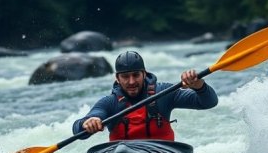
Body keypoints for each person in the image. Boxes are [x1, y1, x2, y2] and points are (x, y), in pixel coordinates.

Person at [72, 50, 218, 141]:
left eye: (136, 75)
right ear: (117, 78)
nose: (131, 81)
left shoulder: (163, 93)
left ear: (144, 74)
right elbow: (79, 128)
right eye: (125, 77)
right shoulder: (110, 103)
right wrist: (87, 123)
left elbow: (209, 102)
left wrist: (198, 85)